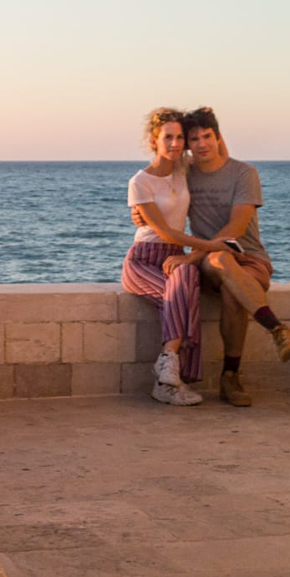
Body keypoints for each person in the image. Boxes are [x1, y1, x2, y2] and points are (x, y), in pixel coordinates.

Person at [134, 106, 290, 407]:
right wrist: (140, 213)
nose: (201, 144)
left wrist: (191, 256)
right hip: (208, 260)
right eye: (194, 138)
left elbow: (235, 229)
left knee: (231, 287)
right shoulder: (186, 173)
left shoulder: (244, 173)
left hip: (249, 257)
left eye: (207, 136)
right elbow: (159, 190)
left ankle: (230, 376)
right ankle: (276, 329)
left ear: (218, 137)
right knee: (220, 260)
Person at [121, 108, 232, 406]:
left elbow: (220, 154)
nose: (174, 143)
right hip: (143, 260)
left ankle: (167, 371)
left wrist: (208, 120)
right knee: (184, 293)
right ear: (154, 140)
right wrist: (212, 245)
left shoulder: (186, 168)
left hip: (175, 258)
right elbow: (166, 232)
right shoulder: (139, 181)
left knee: (186, 275)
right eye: (167, 137)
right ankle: (170, 379)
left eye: (180, 137)